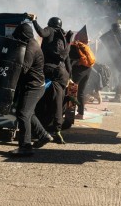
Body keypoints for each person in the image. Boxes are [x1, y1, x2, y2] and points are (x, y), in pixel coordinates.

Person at [9, 22, 53, 157]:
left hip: (33, 87)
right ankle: (43, 135)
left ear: (22, 35)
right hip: (35, 85)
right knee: (29, 113)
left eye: (18, 36)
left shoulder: (30, 47)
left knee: (22, 114)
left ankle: (25, 147)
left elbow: (24, 68)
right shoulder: (32, 43)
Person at [32, 15, 72, 144]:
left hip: (47, 70)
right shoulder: (64, 39)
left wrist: (34, 21)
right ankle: (57, 130)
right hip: (62, 74)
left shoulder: (49, 30)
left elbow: (41, 33)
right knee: (57, 102)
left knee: (38, 99)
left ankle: (38, 130)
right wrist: (70, 77)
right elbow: (67, 61)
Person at [69, 40, 93, 119]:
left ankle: (70, 114)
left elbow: (70, 61)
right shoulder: (83, 45)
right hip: (88, 69)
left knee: (72, 90)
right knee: (81, 92)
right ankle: (80, 114)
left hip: (79, 70)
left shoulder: (72, 47)